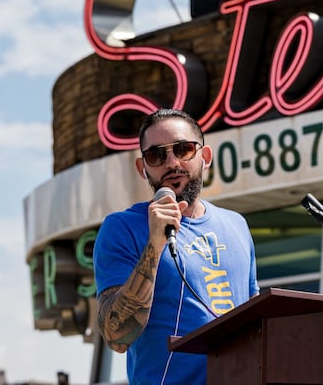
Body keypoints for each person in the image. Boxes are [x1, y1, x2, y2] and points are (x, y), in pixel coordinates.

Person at [93, 108, 260, 385]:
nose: (172, 163)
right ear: (142, 167)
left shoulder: (237, 225)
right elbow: (117, 336)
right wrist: (155, 245)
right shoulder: (122, 228)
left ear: (205, 157)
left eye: (183, 149)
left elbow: (254, 321)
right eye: (156, 155)